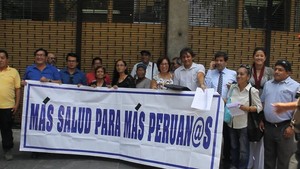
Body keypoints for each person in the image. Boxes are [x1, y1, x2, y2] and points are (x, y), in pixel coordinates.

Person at [260, 60, 299, 169]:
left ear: (288, 73)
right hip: (268, 128)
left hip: (285, 128)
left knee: (284, 160)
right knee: (268, 159)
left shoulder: (295, 86)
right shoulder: (268, 84)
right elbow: (263, 103)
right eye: (275, 69)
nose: (276, 72)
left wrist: (292, 126)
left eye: (280, 70)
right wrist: (262, 119)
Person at [227, 64, 263, 169]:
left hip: (244, 125)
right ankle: (234, 166)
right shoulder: (233, 88)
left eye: (242, 74)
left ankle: (242, 167)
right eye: (237, 74)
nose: (238, 76)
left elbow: (259, 107)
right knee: (233, 148)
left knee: (243, 150)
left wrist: (247, 108)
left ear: (248, 77)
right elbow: (228, 100)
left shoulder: (252, 91)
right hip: (231, 123)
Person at [205, 51, 236, 168]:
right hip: (213, 109)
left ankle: (226, 159)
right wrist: (209, 69)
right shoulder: (211, 73)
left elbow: (236, 90)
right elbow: (206, 87)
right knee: (213, 135)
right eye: (217, 60)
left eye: (221, 60)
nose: (218, 62)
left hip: (227, 109)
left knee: (227, 136)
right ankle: (213, 158)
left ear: (225, 62)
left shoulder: (233, 74)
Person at [248, 47, 273, 169]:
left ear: (265, 58)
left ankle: (259, 165)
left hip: (264, 105)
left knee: (261, 135)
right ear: (253, 57)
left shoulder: (270, 71)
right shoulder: (248, 70)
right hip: (249, 106)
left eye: (261, 56)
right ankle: (249, 164)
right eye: (257, 55)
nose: (259, 58)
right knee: (250, 133)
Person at [0, 49, 21, 161]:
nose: (0, 60)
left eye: (2, 58)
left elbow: (18, 89)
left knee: (6, 130)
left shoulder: (13, 72)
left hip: (7, 107)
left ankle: (7, 150)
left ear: (7, 59)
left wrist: (16, 104)